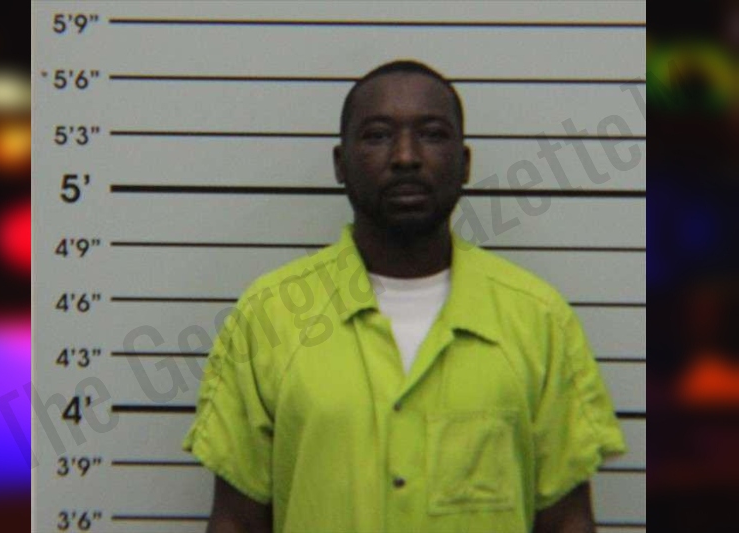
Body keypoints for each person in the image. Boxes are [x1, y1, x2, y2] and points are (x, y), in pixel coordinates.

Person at [183, 60, 627, 533]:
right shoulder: (268, 318)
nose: (405, 157)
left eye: (432, 134)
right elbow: (235, 522)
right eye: (377, 136)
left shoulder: (538, 320)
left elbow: (568, 521)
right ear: (340, 164)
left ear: (465, 163)